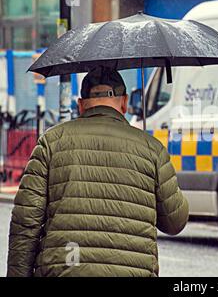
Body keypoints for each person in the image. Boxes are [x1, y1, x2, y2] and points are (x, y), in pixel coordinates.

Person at [7, 66, 189, 277]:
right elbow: (175, 222)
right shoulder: (152, 149)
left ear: (81, 105)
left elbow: (25, 223)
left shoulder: (51, 143)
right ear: (125, 102)